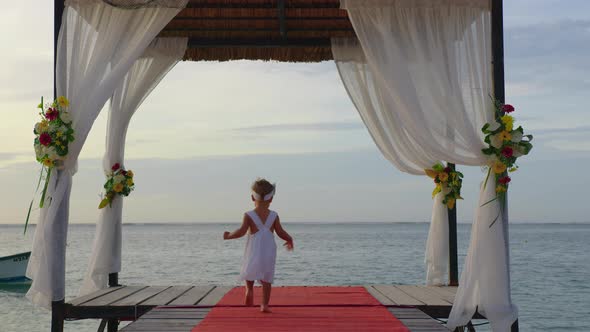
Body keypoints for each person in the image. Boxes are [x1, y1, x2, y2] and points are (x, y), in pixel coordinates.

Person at [223, 178, 294, 313]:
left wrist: (229, 236)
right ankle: (264, 305)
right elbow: (280, 232)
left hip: (253, 249)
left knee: (250, 269)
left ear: (252, 197)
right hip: (269, 249)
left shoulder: (249, 215)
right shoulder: (274, 215)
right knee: (267, 277)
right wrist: (289, 238)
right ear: (271, 199)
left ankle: (249, 290)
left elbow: (241, 231)